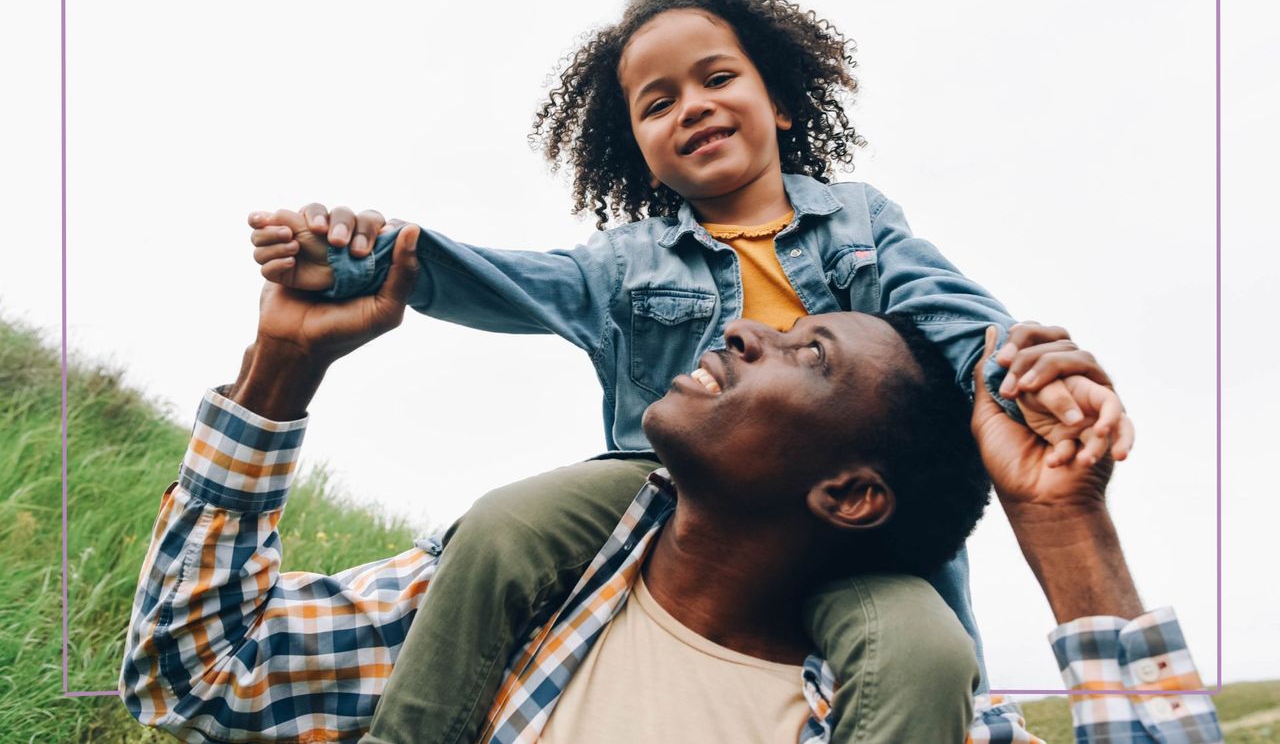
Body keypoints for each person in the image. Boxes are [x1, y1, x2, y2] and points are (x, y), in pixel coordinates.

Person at [245, 0, 1127, 743]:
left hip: (858, 535)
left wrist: (1027, 374)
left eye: (716, 77)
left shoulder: (860, 224)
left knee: (930, 648)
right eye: (658, 103)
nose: (692, 105)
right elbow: (497, 278)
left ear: (778, 101)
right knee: (507, 521)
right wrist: (361, 256)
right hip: (659, 497)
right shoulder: (625, 263)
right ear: (640, 151)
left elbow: (956, 315)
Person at [120, 227, 1220, 743]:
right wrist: (282, 368)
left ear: (847, 494)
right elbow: (195, 675)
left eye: (811, 355)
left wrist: (1062, 523)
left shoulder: (911, 712)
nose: (745, 329)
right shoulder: (510, 601)